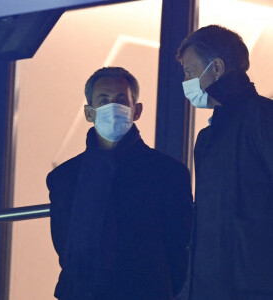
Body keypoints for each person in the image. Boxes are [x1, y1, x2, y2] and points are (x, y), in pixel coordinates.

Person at [46, 67, 193, 300]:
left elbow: (179, 246)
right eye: (103, 100)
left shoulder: (168, 173)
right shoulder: (65, 177)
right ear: (89, 112)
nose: (111, 107)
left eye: (121, 100)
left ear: (137, 110)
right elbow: (65, 246)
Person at [176, 25, 273, 300]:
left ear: (216, 68)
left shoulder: (263, 118)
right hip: (213, 286)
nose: (186, 81)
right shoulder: (207, 137)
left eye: (190, 72)